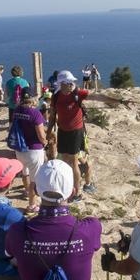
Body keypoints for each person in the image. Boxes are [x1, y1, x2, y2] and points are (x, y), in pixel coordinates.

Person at [48, 70, 116, 200]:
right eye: (69, 83)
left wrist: (117, 100)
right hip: (62, 131)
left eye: (71, 82)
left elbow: (98, 97)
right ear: (61, 83)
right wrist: (49, 131)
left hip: (75, 132)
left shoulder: (77, 93)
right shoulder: (56, 96)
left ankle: (77, 192)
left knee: (73, 162)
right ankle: (71, 186)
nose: (72, 84)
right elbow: (52, 115)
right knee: (64, 160)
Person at [11, 90, 48, 213]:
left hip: (20, 149)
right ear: (33, 99)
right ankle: (32, 205)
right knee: (34, 179)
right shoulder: (35, 113)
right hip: (34, 149)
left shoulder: (17, 111)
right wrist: (46, 142)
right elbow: (41, 135)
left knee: (25, 172)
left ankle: (27, 192)